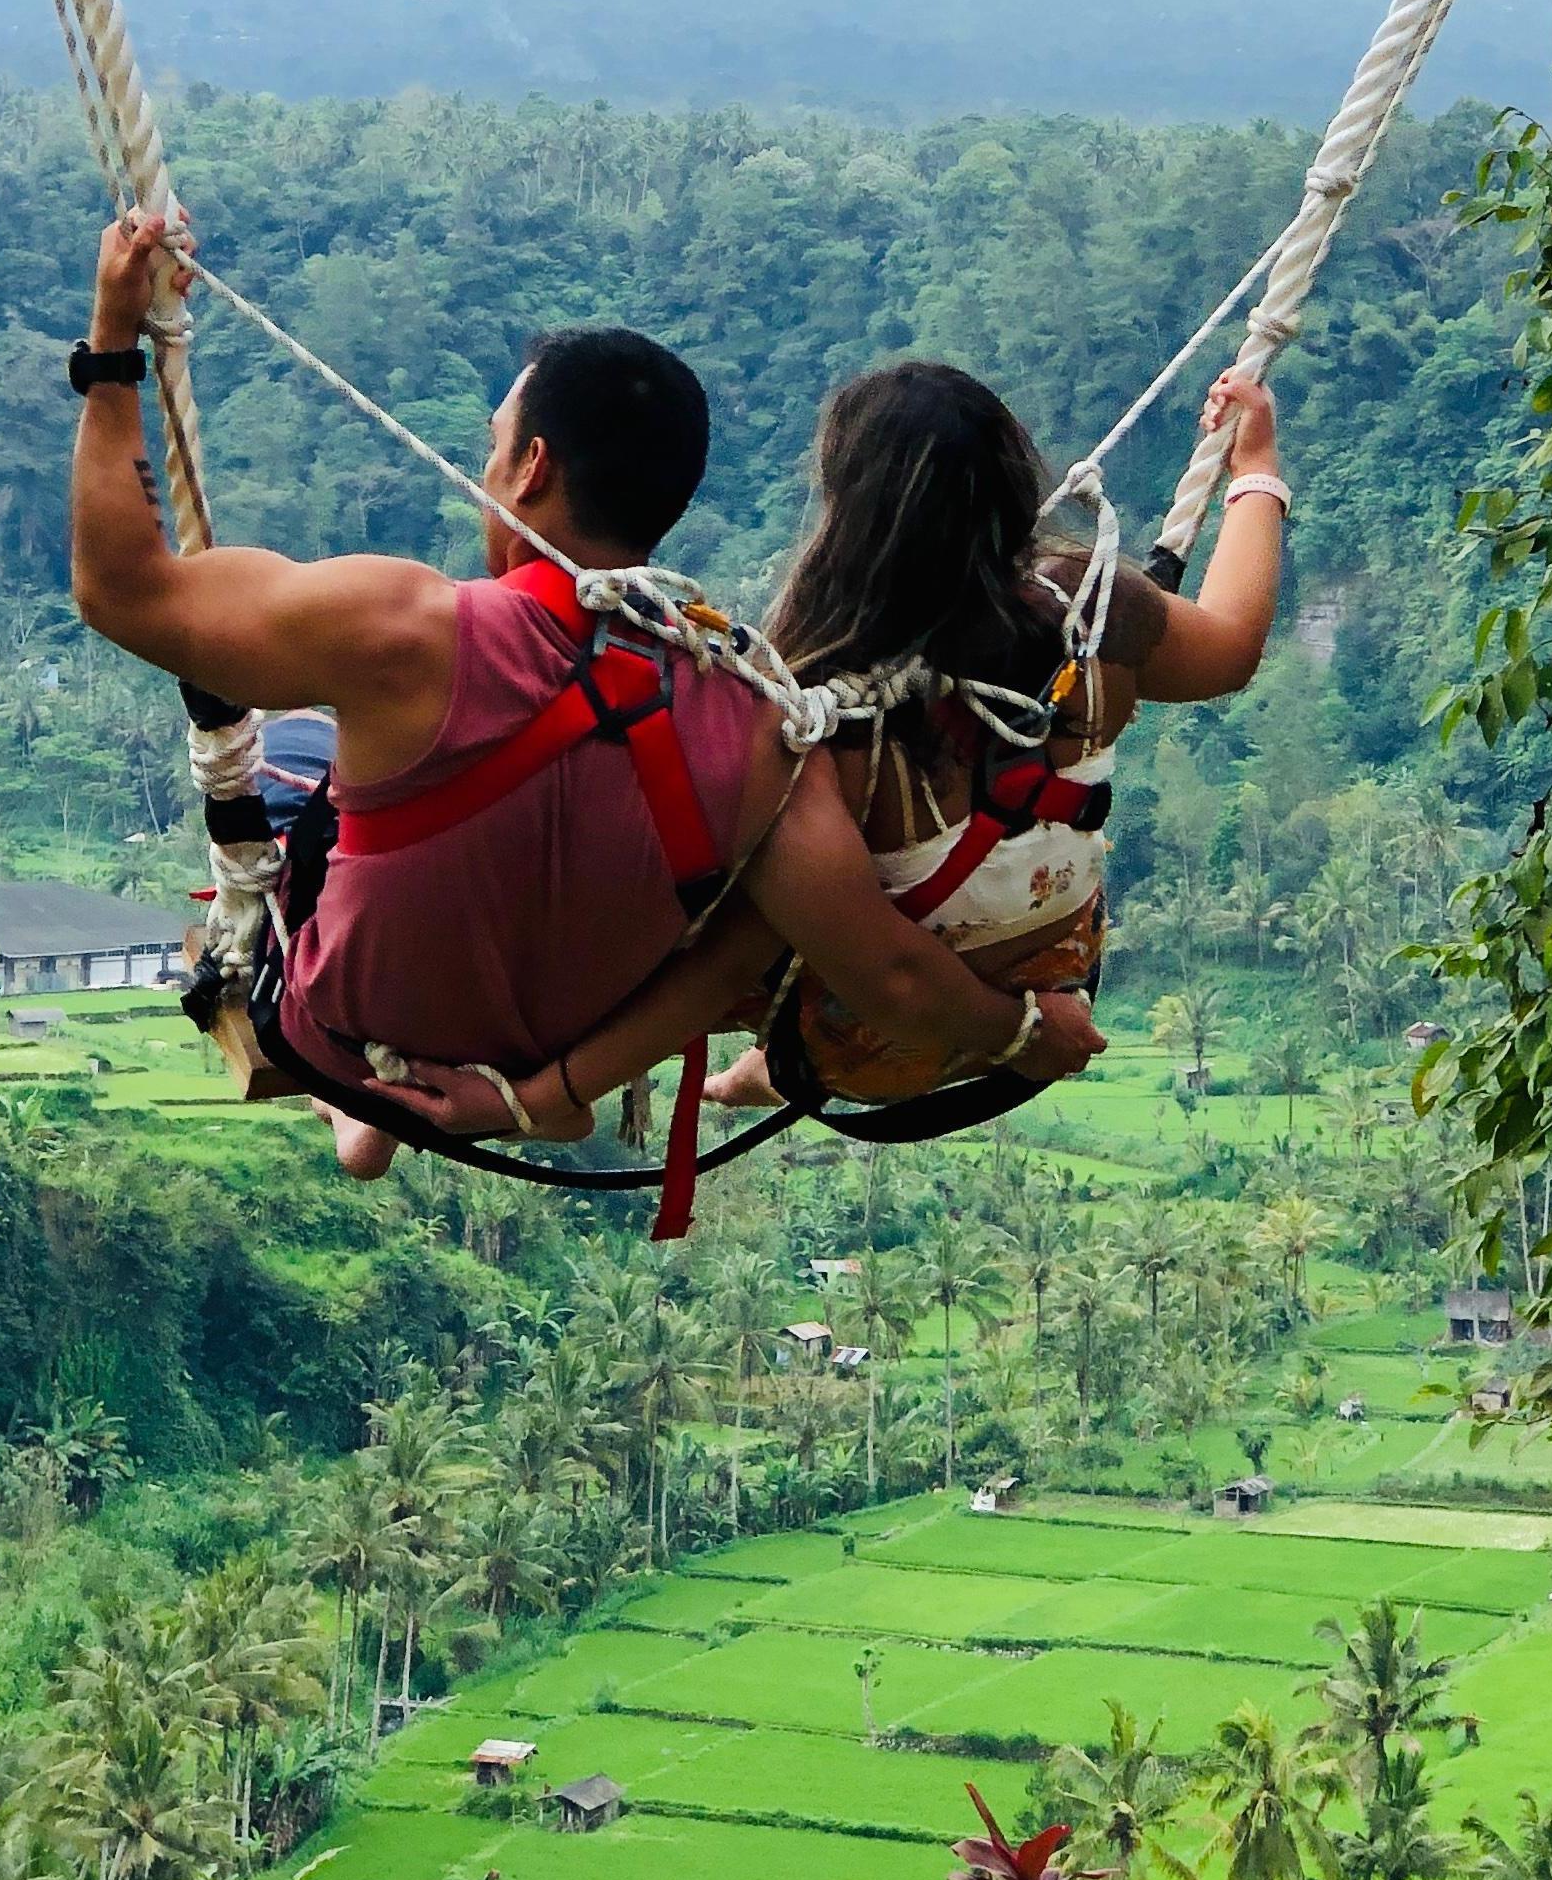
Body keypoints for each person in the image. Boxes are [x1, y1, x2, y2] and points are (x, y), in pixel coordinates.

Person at [66, 209, 1101, 1177]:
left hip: (341, 1015)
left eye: (492, 445)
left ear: (530, 470)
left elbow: (123, 592)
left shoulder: (407, 631)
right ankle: (462, 1099)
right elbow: (874, 970)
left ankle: (357, 1096)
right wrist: (1020, 1034)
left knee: (296, 746)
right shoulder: (765, 724)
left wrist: (113, 347)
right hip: (553, 1046)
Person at [380, 352, 1284, 1144]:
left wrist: (541, 1095)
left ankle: (740, 1067)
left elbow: (862, 973)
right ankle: (755, 1073)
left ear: (847, 512)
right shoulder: (1087, 613)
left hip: (899, 1047)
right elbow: (1228, 647)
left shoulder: (818, 730)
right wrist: (1256, 472)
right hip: (1059, 966)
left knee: (709, 902)